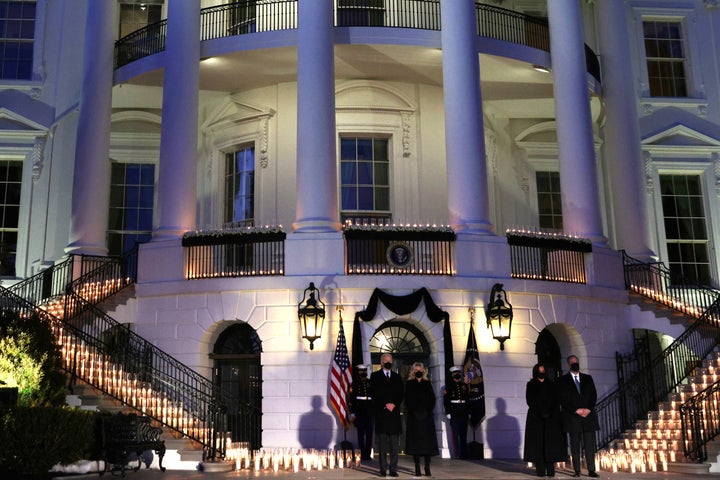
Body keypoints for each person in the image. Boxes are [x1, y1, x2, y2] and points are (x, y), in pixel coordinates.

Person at [558, 355, 599, 478]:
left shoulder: (588, 378)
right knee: (575, 446)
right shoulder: (563, 380)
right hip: (573, 417)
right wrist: (575, 410)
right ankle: (577, 470)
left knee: (589, 445)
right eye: (572, 363)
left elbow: (593, 395)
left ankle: (591, 470)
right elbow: (563, 399)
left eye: (577, 362)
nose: (575, 364)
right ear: (568, 365)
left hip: (588, 417)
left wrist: (588, 409)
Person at [523, 363, 567, 477]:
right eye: (539, 371)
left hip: (551, 419)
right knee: (538, 444)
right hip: (536, 419)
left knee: (550, 444)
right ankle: (540, 470)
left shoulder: (552, 385)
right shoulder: (531, 384)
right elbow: (530, 400)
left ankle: (551, 469)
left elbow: (556, 400)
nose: (541, 373)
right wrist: (541, 412)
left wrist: (549, 412)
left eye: (543, 371)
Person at [370, 353, 404, 478]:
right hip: (382, 415)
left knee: (395, 446)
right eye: (386, 360)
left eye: (390, 360)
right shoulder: (374, 376)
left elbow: (401, 393)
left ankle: (393, 469)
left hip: (394, 416)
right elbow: (374, 393)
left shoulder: (397, 377)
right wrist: (385, 404)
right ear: (381, 362)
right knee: (383, 446)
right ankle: (383, 469)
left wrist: (394, 404)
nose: (388, 362)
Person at [404, 362, 439, 477]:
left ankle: (427, 467)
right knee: (416, 444)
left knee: (427, 444)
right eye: (416, 369)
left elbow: (432, 399)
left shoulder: (427, 383)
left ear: (423, 371)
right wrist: (414, 411)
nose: (418, 371)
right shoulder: (409, 384)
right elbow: (407, 399)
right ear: (413, 371)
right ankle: (417, 467)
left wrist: (427, 411)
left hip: (426, 417)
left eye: (420, 369)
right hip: (414, 418)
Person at [348, 364, 374, 461]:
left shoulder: (370, 382)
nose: (363, 373)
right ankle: (362, 454)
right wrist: (352, 412)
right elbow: (351, 399)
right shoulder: (354, 384)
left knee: (369, 433)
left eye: (364, 371)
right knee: (360, 434)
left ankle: (367, 454)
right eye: (361, 371)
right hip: (360, 410)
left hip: (370, 410)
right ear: (358, 372)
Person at [443, 365, 469, 459]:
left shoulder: (464, 385)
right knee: (455, 433)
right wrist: (448, 412)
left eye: (458, 373)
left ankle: (463, 453)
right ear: (452, 375)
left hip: (463, 411)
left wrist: (468, 412)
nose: (457, 375)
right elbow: (446, 400)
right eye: (455, 374)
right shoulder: (449, 386)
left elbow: (467, 399)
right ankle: (457, 453)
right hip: (454, 411)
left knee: (463, 433)